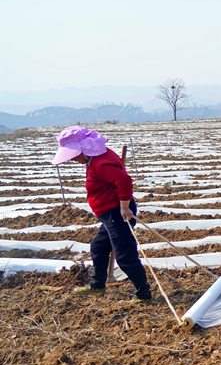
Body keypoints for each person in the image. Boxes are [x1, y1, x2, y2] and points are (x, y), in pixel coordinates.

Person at [52, 126, 152, 303]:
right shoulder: (98, 157)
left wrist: (124, 207)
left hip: (117, 214)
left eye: (74, 155)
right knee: (98, 247)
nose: (73, 159)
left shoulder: (99, 163)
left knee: (125, 256)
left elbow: (124, 180)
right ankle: (97, 286)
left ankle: (143, 295)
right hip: (109, 215)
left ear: (83, 149)